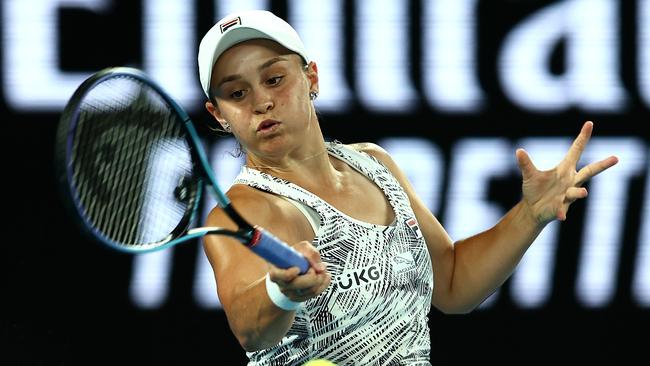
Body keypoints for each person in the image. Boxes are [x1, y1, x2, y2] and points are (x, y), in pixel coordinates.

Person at [197, 10, 618, 366]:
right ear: (219, 114)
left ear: (312, 78)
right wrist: (280, 291)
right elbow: (249, 328)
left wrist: (530, 214)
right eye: (237, 93)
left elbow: (453, 283)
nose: (261, 102)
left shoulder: (375, 164)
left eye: (274, 79)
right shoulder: (243, 211)